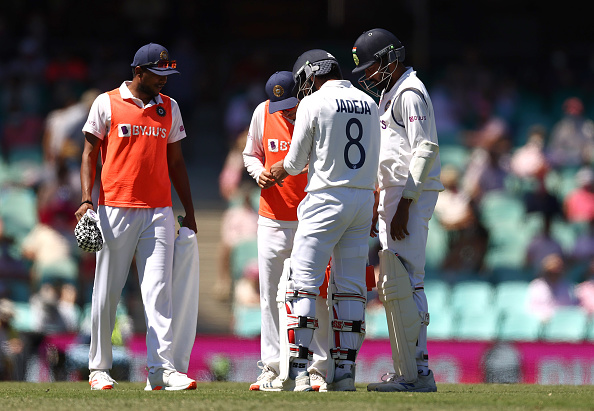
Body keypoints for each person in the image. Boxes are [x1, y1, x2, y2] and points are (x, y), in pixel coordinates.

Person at [75, 43, 197, 391]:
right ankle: (99, 369)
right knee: (107, 291)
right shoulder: (106, 102)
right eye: (157, 74)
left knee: (159, 292)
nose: (163, 80)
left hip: (159, 211)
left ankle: (161, 370)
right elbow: (89, 154)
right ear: (138, 72)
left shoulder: (170, 107)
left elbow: (176, 162)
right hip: (115, 207)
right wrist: (86, 199)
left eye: (166, 74)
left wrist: (188, 210)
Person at [266, 49, 381, 392]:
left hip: (326, 197)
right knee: (350, 288)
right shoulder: (369, 102)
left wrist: (279, 168)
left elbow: (295, 161)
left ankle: (299, 372)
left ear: (311, 73)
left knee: (300, 283)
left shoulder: (313, 103)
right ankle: (344, 373)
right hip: (362, 198)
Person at [351, 28, 443, 392]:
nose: (369, 76)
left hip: (410, 195)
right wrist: (381, 197)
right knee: (394, 282)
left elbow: (425, 149)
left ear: (390, 58)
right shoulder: (392, 93)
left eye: (372, 67)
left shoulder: (410, 92)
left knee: (406, 281)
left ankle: (417, 373)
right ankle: (407, 369)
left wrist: (405, 203)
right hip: (396, 193)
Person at [242, 71, 329, 391]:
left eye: (291, 104)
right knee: (269, 296)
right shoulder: (263, 112)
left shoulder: (317, 112)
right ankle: (271, 367)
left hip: (310, 217)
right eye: (282, 106)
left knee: (316, 293)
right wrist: (258, 173)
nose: (288, 111)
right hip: (272, 218)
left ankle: (318, 368)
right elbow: (250, 153)